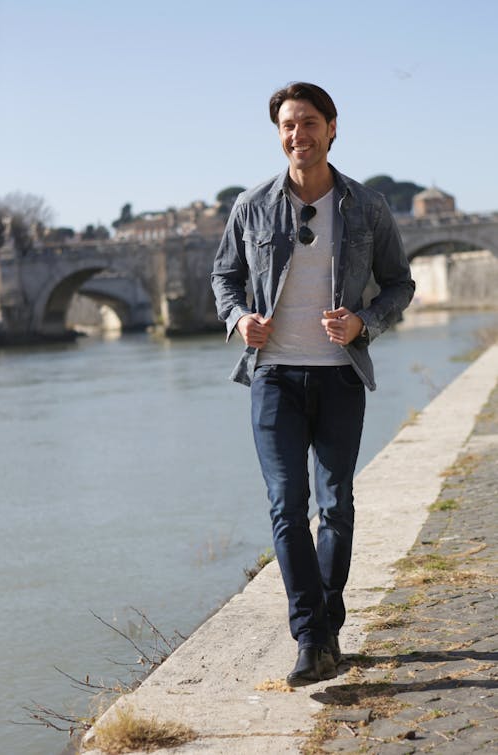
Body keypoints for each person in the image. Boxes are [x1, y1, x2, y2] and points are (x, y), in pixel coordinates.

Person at [211, 82, 415, 686]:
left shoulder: (368, 206)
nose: (297, 135)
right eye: (286, 126)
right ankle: (311, 635)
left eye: (307, 123)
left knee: (337, 506)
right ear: (279, 135)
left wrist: (364, 322)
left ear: (331, 128)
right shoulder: (251, 205)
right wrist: (239, 318)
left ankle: (327, 622)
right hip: (273, 376)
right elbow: (225, 279)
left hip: (340, 375)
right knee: (285, 506)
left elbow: (400, 284)